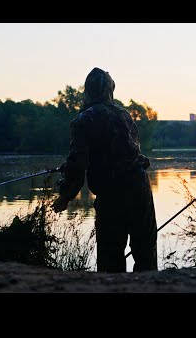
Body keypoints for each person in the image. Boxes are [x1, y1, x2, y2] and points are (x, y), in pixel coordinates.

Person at [52, 67, 157, 273]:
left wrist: (65, 196)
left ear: (87, 91)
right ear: (111, 90)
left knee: (110, 261)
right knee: (146, 256)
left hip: (111, 195)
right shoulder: (125, 116)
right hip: (140, 189)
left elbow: (76, 168)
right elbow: (129, 153)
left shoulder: (83, 121)